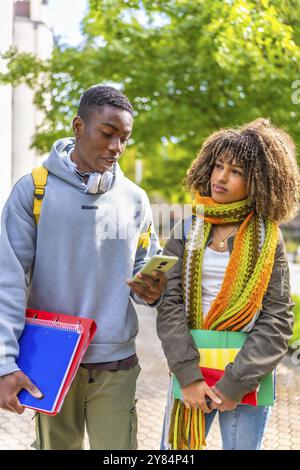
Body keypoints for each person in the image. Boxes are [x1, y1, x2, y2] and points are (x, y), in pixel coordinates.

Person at [0, 85, 166, 450]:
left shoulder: (135, 199)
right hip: (50, 360)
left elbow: (143, 266)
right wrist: (5, 363)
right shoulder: (33, 191)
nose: (116, 148)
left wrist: (152, 290)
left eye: (124, 138)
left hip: (116, 362)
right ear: (78, 126)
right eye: (107, 134)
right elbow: (8, 283)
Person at [157, 118, 300, 450]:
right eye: (218, 166)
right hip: (190, 370)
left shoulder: (270, 238)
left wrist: (235, 385)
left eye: (236, 171)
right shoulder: (186, 229)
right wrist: (189, 377)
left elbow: (278, 320)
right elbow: (170, 306)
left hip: (246, 376)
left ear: (260, 181)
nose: (221, 177)